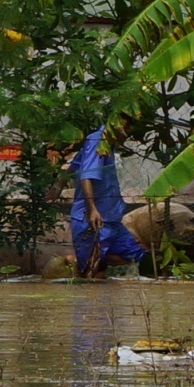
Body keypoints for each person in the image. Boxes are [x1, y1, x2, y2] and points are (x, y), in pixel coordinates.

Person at [70, 119, 148, 278]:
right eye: (129, 129)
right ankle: (85, 265)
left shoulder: (107, 144)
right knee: (93, 272)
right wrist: (92, 210)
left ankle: (87, 261)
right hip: (93, 220)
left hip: (111, 219)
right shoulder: (97, 140)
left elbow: (76, 163)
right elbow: (86, 177)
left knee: (135, 255)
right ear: (121, 125)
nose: (128, 135)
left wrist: (58, 185)